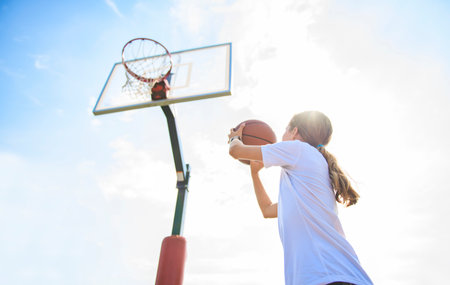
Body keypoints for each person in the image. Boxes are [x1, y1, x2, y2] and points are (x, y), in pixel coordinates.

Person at [228, 111, 373, 285]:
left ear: (294, 132)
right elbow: (267, 210)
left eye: (285, 131)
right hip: (339, 276)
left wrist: (235, 137)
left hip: (329, 277)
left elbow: (236, 151)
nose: (281, 136)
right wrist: (255, 175)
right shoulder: (311, 172)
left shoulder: (298, 149)